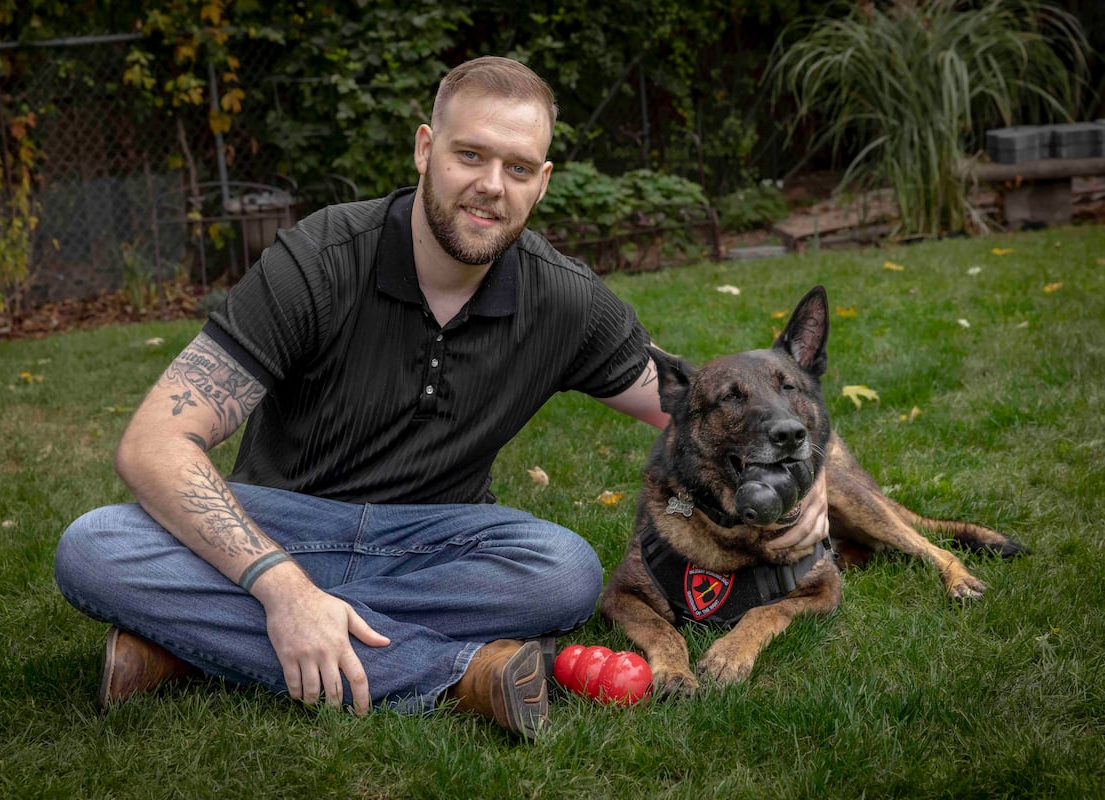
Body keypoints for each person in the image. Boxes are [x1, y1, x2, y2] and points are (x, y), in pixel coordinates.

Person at [54, 56, 829, 740]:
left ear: (543, 182)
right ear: (426, 149)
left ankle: (189, 646)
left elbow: (707, 406)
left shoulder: (564, 300)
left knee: (562, 570)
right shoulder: (319, 259)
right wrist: (284, 591)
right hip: (282, 521)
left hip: (439, 542)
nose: (491, 186)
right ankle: (461, 674)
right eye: (470, 155)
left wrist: (812, 484)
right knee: (93, 547)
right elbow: (152, 444)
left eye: (519, 168)